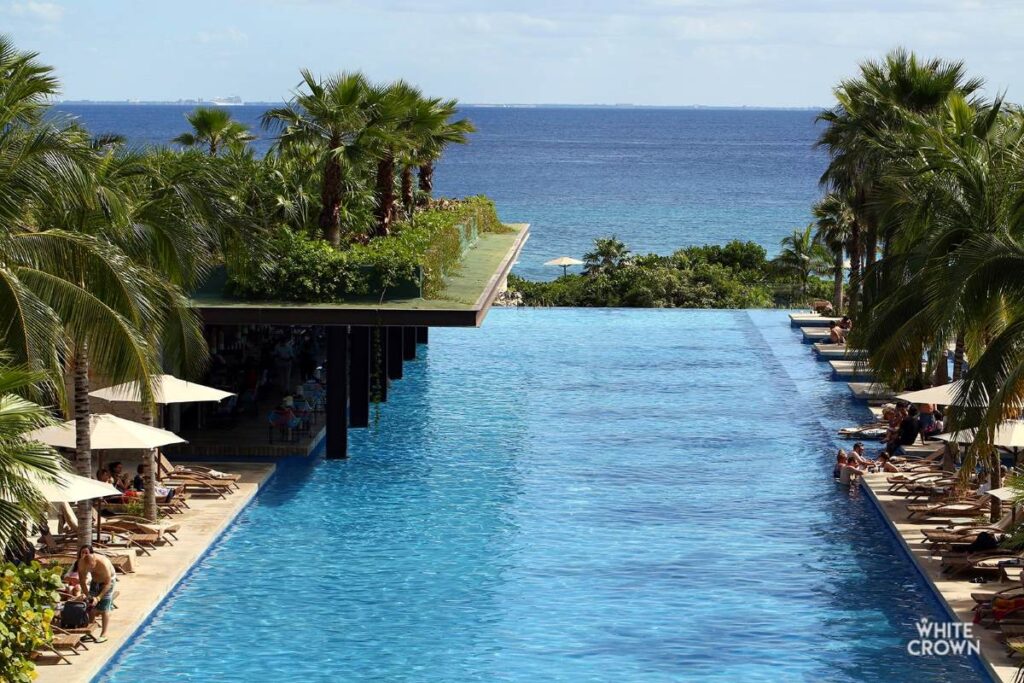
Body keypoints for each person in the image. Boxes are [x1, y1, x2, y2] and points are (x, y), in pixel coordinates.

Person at [77, 546, 115, 642]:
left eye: (91, 567)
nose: (90, 569)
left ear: (94, 561)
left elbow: (108, 584)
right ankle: (89, 632)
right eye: (88, 568)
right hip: (95, 581)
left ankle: (104, 634)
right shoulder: (81, 563)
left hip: (108, 582)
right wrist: (88, 596)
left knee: (104, 608)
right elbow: (82, 581)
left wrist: (98, 598)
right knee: (91, 607)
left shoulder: (103, 564)